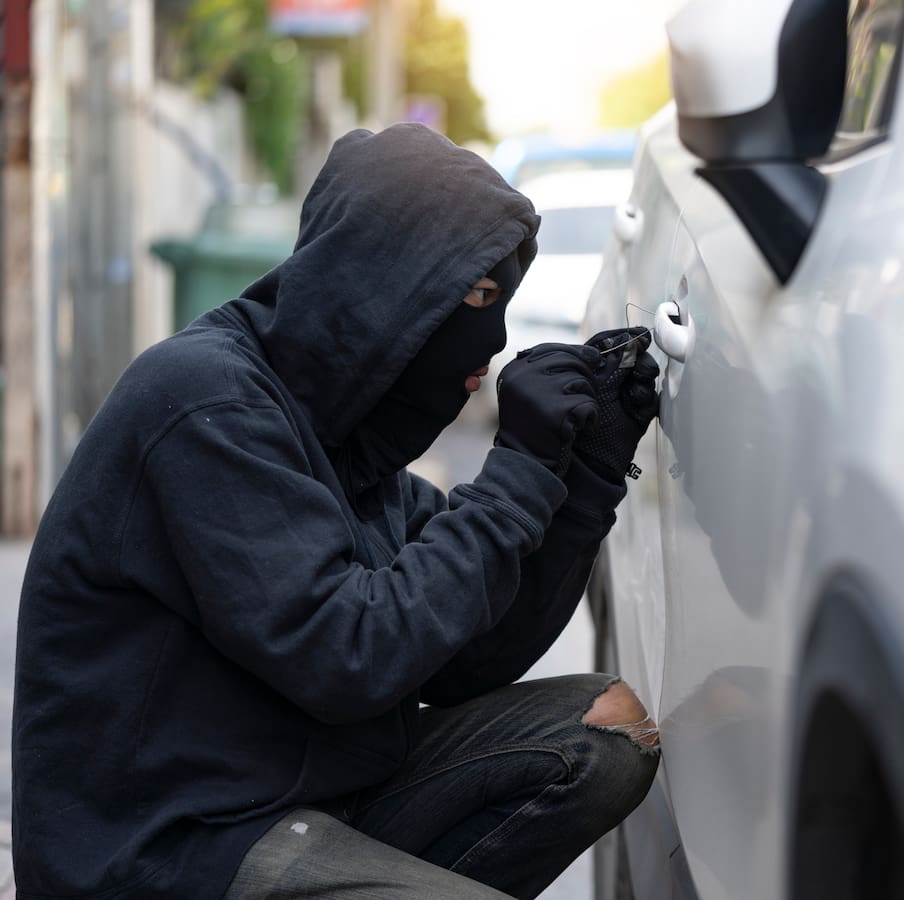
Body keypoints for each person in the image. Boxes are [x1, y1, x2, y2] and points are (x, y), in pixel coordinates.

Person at [12, 124, 661, 899]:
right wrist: (515, 471)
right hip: (169, 849)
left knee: (601, 733)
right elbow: (351, 656)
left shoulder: (350, 438)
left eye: (503, 301)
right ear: (384, 289)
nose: (490, 341)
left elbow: (471, 658)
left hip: (306, 797)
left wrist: (586, 477)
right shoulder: (202, 405)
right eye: (476, 297)